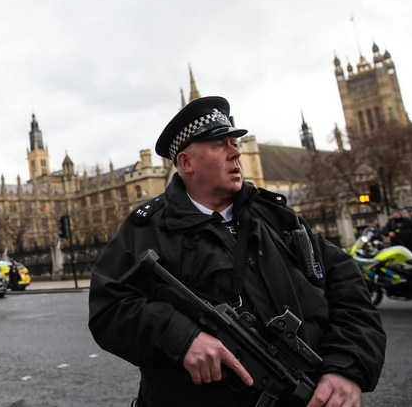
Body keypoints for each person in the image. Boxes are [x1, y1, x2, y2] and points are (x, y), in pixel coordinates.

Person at [88, 96, 386, 407]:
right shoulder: (145, 229)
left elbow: (349, 289)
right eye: (220, 145)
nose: (236, 152)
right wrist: (179, 336)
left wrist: (346, 367)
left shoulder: (277, 217)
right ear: (186, 163)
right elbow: (108, 309)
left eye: (235, 142)